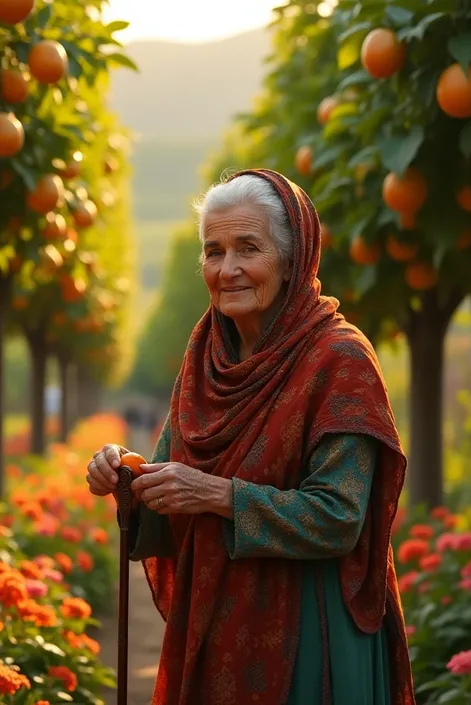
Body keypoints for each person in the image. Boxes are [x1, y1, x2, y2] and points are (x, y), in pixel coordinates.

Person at [86, 169, 415, 705]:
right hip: (214, 621)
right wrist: (127, 475)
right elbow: (173, 493)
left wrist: (216, 495)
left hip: (313, 634)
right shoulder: (206, 360)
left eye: (248, 248)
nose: (228, 269)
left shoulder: (340, 359)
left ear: (292, 261)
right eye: (213, 252)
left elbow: (340, 519)